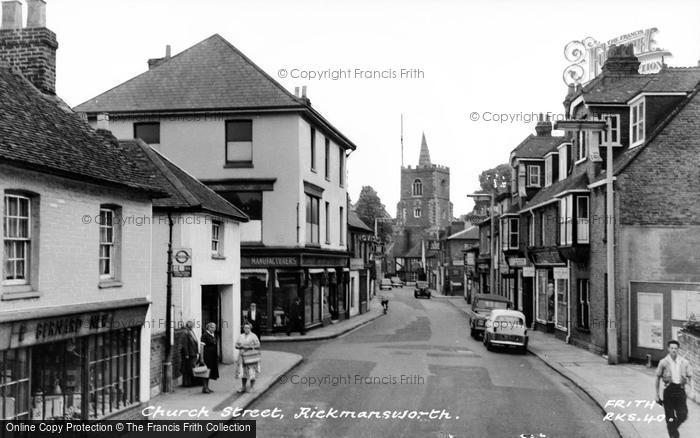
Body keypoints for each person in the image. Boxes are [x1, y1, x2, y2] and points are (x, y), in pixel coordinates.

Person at [655, 339, 692, 438]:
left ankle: (672, 428)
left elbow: (690, 377)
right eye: (672, 348)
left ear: (678, 349)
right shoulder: (663, 362)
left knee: (683, 415)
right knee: (670, 418)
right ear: (668, 349)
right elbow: (658, 378)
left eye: (676, 348)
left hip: (680, 391)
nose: (674, 350)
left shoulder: (684, 362)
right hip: (668, 392)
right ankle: (674, 435)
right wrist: (657, 395)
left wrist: (690, 391)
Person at [235, 323, 261, 393]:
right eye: (245, 328)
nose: (246, 329)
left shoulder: (254, 336)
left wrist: (249, 347)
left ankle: (252, 387)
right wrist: (239, 346)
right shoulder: (241, 336)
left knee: (251, 371)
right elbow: (236, 345)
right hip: (242, 356)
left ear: (250, 328)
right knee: (243, 372)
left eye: (248, 328)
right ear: (243, 329)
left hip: (251, 356)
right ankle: (243, 386)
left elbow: (258, 345)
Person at [200, 322, 219, 394]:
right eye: (212, 327)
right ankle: (204, 387)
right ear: (208, 327)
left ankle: (207, 387)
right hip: (207, 356)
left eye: (214, 327)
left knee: (209, 372)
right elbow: (201, 347)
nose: (213, 329)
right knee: (205, 371)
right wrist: (202, 358)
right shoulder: (205, 335)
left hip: (212, 356)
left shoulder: (212, 334)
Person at [181, 320, 199, 387]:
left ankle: (190, 382)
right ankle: (187, 383)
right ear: (189, 326)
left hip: (193, 353)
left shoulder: (191, 332)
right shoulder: (185, 333)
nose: (193, 326)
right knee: (188, 368)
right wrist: (187, 354)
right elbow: (185, 344)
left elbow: (195, 342)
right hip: (190, 354)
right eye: (192, 325)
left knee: (191, 368)